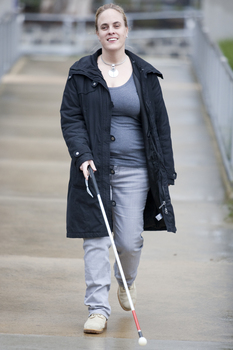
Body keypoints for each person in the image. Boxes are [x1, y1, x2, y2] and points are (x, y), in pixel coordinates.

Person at [60, 3, 177, 334]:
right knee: (96, 239)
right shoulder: (82, 73)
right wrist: (81, 154)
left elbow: (160, 125)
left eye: (116, 25)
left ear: (126, 30)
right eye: (104, 26)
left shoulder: (145, 74)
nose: (110, 31)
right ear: (97, 33)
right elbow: (70, 117)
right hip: (94, 168)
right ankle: (97, 308)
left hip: (136, 169)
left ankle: (126, 282)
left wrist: (165, 170)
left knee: (128, 241)